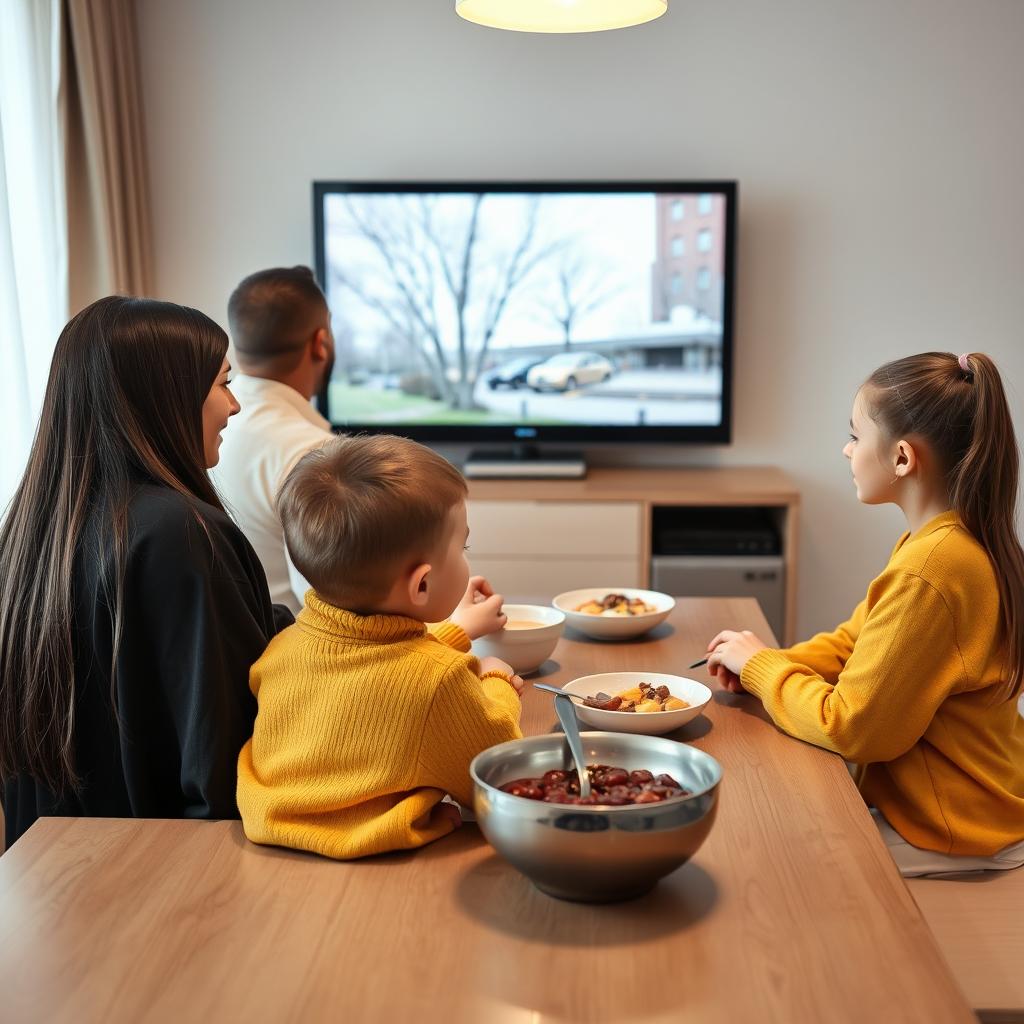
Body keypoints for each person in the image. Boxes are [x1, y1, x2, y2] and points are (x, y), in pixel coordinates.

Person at [706, 351, 1024, 876]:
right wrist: (766, 661)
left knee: (764, 855)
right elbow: (858, 640)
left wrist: (765, 670)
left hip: (951, 825)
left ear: (901, 458)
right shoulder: (947, 542)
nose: (846, 449)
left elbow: (854, 728)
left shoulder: (932, 567)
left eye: (855, 435)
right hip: (976, 803)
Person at [0, 296, 288, 849]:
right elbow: (224, 759)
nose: (233, 407)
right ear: (168, 397)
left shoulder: (31, 534)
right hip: (156, 879)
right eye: (222, 383)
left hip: (42, 878)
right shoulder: (179, 532)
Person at [237, 434, 523, 860]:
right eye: (462, 547)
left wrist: (454, 635)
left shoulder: (282, 649)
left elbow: (372, 664)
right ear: (421, 584)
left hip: (262, 852)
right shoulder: (438, 685)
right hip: (375, 864)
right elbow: (499, 772)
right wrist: (497, 677)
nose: (465, 557)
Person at [210, 266, 334, 615]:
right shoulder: (313, 453)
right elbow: (334, 607)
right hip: (300, 659)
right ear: (320, 343)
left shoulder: (211, 428)